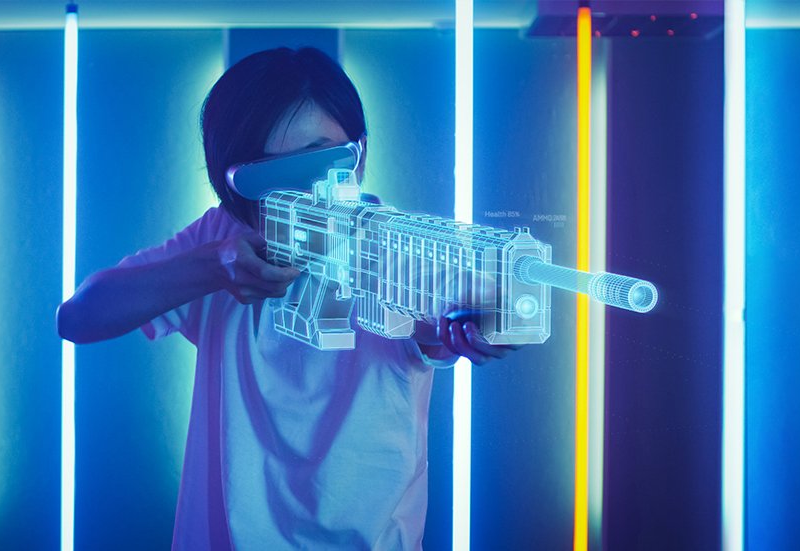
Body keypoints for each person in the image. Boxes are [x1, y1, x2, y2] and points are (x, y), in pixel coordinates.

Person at [57, 47, 518, 550]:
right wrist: (211, 267)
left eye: (319, 158)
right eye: (269, 171)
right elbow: (79, 317)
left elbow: (457, 314)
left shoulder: (398, 244)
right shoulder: (219, 236)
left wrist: (466, 324)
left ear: (358, 154)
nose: (298, 194)